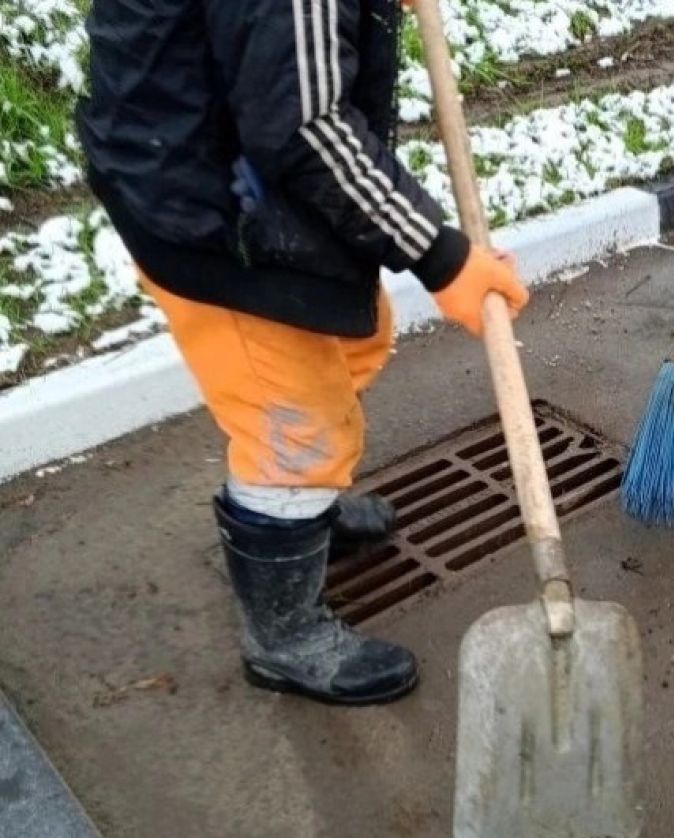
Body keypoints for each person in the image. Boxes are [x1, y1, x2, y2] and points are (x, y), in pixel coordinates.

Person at [78, 0, 530, 705]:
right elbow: (305, 128)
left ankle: (300, 513)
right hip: (215, 217)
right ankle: (283, 634)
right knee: (294, 426)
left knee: (354, 340)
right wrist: (441, 257)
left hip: (217, 160)